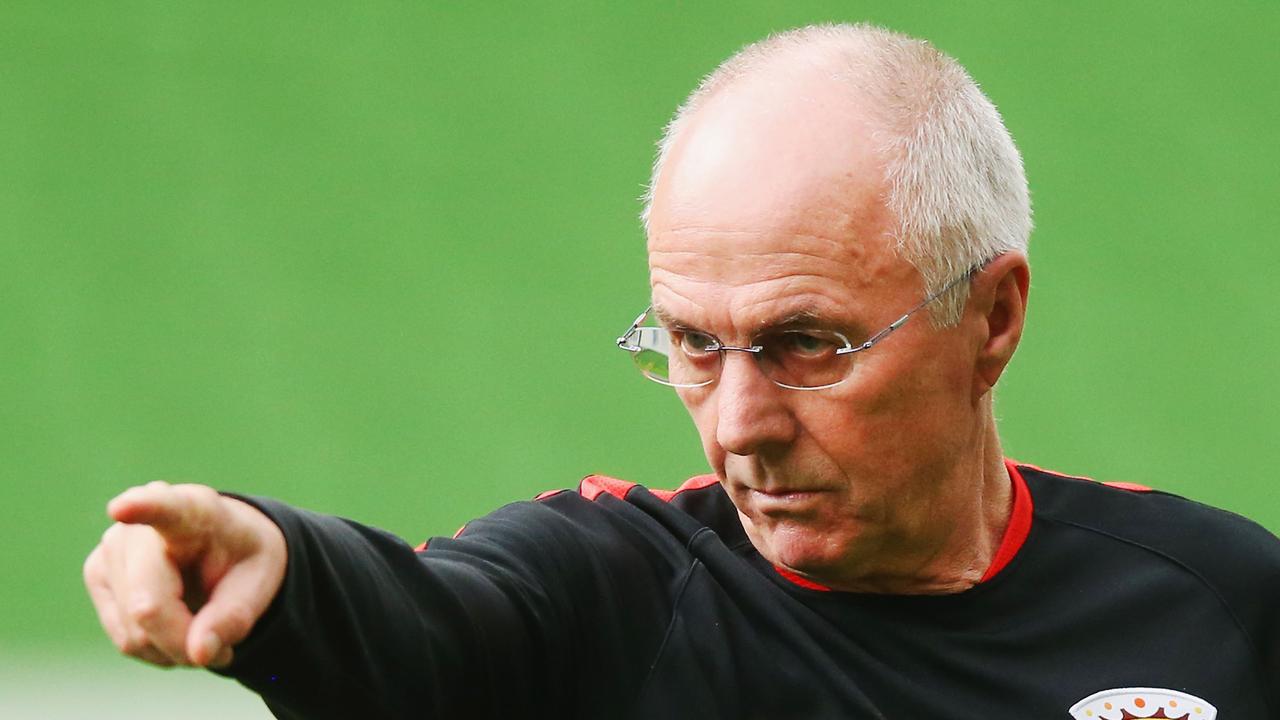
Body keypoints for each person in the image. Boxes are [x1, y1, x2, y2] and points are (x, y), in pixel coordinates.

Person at [83, 23, 1280, 719]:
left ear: (992, 316)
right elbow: (427, 625)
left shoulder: (1220, 603)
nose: (740, 424)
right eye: (693, 345)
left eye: (806, 343)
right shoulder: (614, 597)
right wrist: (275, 563)